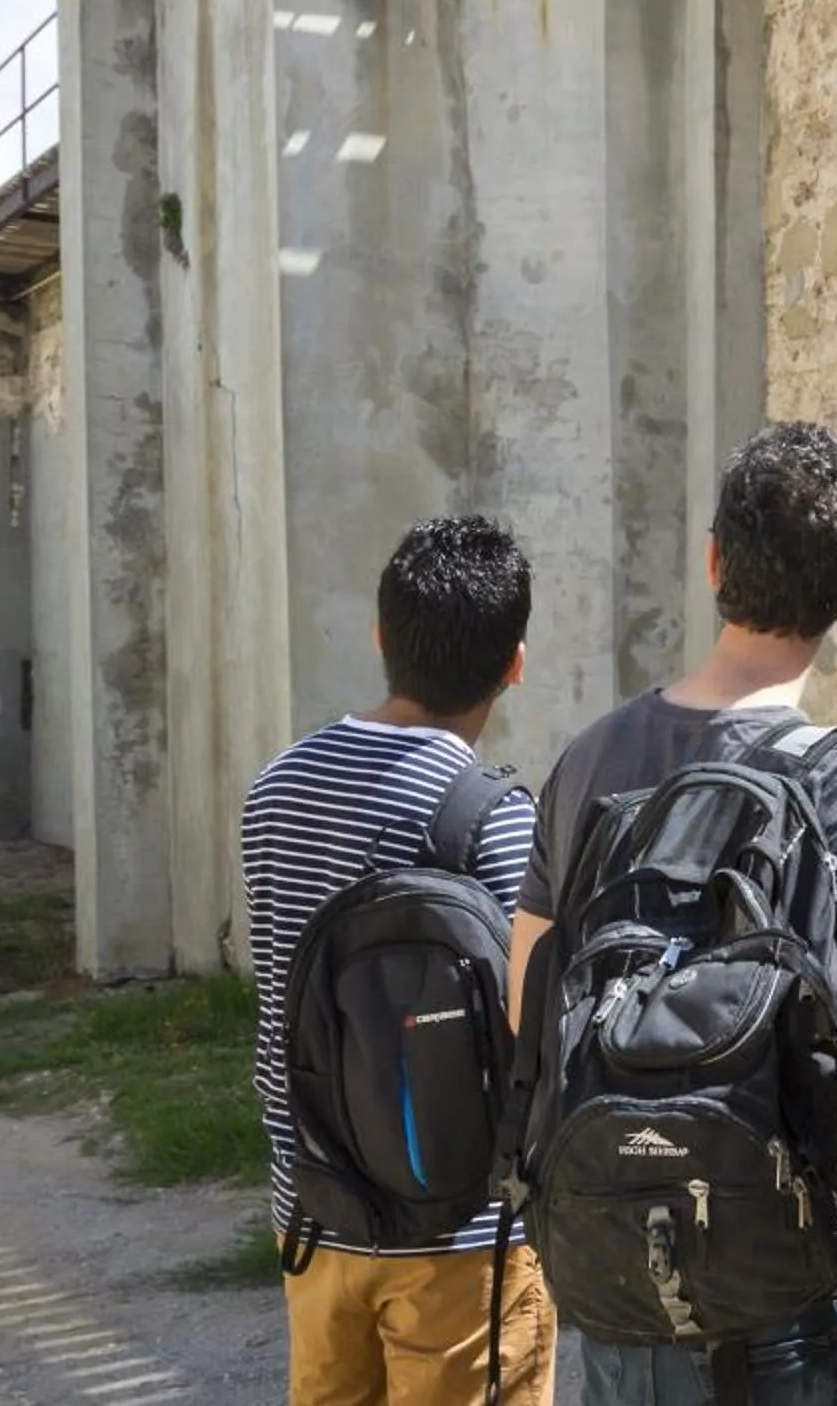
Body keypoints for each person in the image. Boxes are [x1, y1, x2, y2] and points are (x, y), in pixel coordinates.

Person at [509, 419, 837, 1406]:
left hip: (610, 1274)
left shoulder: (588, 761)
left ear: (713, 563)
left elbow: (531, 1012)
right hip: (787, 1289)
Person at [241, 514, 553, 1406]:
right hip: (460, 1238)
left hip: (315, 1209)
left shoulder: (277, 790)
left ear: (382, 637)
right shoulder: (492, 817)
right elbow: (529, 1026)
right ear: (515, 664)